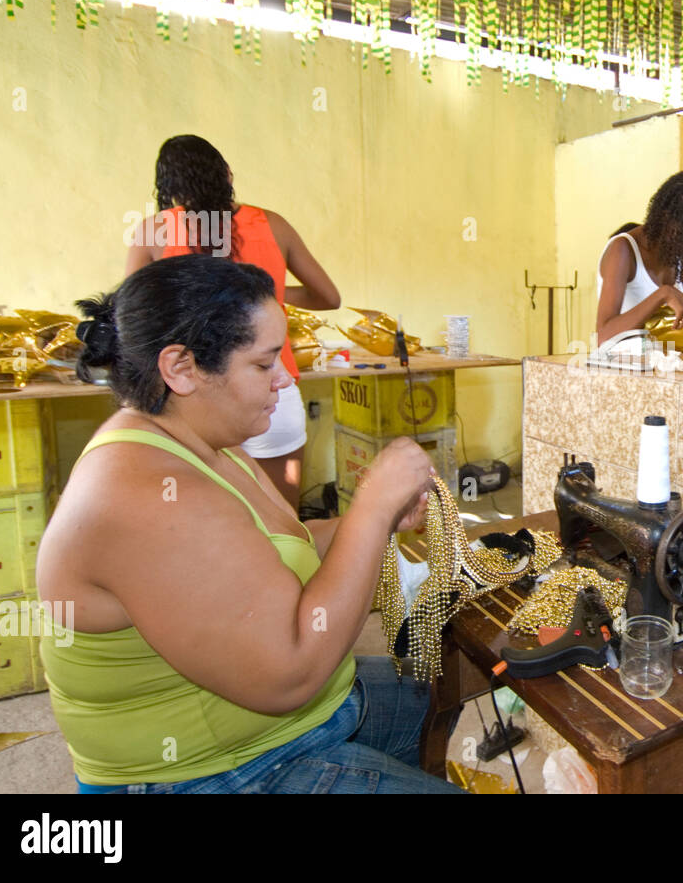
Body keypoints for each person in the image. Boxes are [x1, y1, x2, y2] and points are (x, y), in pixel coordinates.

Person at [37, 255, 460, 793]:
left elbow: (290, 546)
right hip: (215, 771)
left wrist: (375, 521)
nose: (284, 379)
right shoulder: (146, 496)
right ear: (182, 369)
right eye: (263, 365)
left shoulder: (207, 445)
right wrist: (373, 509)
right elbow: (292, 674)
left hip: (291, 725)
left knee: (447, 681)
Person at [126, 135, 341, 509]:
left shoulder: (153, 231)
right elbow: (329, 298)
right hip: (271, 390)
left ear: (169, 186)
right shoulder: (272, 225)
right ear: (226, 174)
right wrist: (264, 292)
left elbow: (132, 320)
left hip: (193, 398)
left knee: (205, 521)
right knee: (283, 521)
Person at [596, 169, 683, 345]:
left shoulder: (680, 251)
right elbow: (603, 336)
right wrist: (663, 294)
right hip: (624, 368)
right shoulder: (622, 250)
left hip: (665, 366)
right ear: (669, 219)